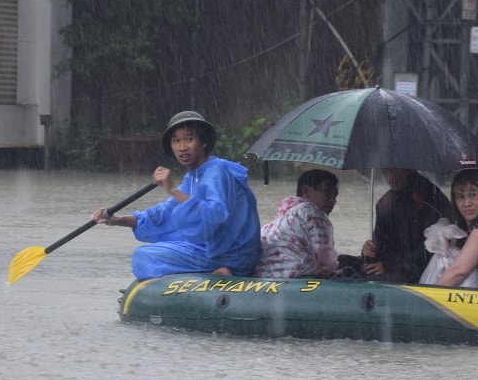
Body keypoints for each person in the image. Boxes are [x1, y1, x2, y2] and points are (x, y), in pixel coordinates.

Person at [93, 110, 261, 280]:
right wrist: (117, 220)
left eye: (189, 139)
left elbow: (212, 215)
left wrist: (172, 189)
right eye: (176, 141)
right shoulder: (193, 176)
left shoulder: (217, 172)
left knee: (144, 256)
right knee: (146, 254)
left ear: (203, 143)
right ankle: (207, 273)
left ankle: (221, 272)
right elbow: (165, 213)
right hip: (211, 249)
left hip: (232, 254)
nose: (182, 147)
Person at [350, 168, 453, 283]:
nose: (390, 176)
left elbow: (431, 250)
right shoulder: (384, 204)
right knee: (345, 262)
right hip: (392, 268)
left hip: (422, 273)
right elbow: (380, 245)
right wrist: (368, 251)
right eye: (386, 170)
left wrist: (390, 265)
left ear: (409, 169)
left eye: (395, 170)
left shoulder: (432, 200)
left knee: (372, 281)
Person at [255, 169, 340, 279]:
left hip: (265, 279)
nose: (332, 200)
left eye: (335, 195)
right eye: (327, 192)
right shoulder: (312, 212)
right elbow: (326, 260)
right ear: (306, 191)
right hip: (298, 279)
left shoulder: (285, 215)